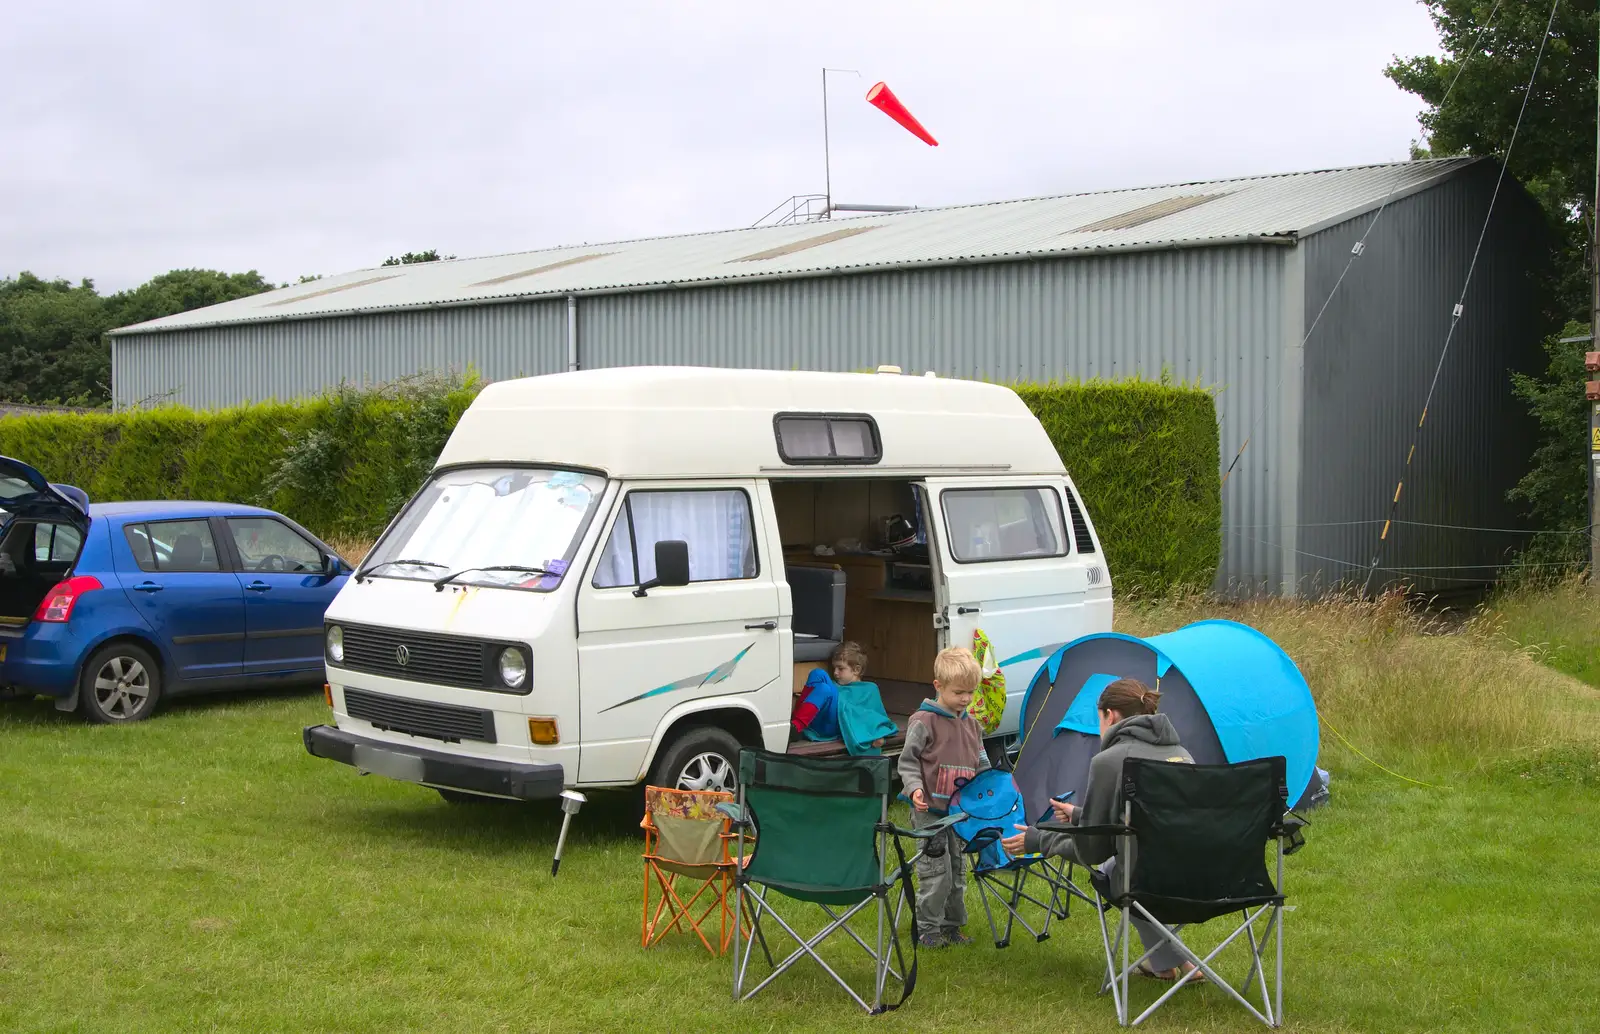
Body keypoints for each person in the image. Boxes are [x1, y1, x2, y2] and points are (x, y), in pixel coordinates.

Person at [1000, 677, 1199, 983]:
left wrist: (1037, 839)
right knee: (1132, 867)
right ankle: (1170, 965)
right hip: (1200, 880)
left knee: (1112, 871)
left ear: (1110, 715)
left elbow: (1093, 850)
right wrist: (1081, 815)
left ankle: (1174, 962)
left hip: (1148, 882)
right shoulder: (1183, 755)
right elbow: (1151, 821)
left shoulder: (1110, 761)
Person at [898, 646, 991, 948]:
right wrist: (914, 788)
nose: (965, 699)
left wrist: (989, 791)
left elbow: (983, 764)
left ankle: (952, 927)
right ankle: (928, 930)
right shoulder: (923, 720)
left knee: (957, 871)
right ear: (938, 686)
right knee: (935, 872)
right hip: (931, 812)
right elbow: (908, 761)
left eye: (971, 693)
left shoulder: (973, 726)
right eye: (959, 692)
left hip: (960, 813)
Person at [791, 641, 863, 741]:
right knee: (817, 673)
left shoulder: (868, 689)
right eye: (834, 668)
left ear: (856, 670)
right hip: (818, 721)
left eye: (840, 669)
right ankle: (794, 723)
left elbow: (873, 717)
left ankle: (796, 728)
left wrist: (878, 737)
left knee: (824, 689)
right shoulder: (835, 685)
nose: (835, 673)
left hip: (836, 726)